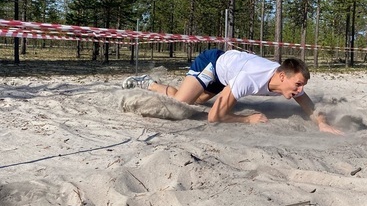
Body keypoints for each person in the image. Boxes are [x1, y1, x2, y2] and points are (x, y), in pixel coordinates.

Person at [122, 49, 343, 135]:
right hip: (212, 64)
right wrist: (248, 119)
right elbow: (213, 117)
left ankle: (157, 84)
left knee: (197, 99)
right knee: (183, 104)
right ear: (282, 77)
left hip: (228, 74)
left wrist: (321, 123)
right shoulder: (250, 78)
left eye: (302, 85)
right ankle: (149, 84)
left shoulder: (288, 85)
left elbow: (309, 106)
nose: (300, 90)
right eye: (298, 85)